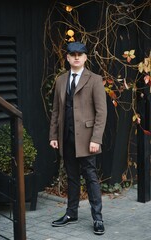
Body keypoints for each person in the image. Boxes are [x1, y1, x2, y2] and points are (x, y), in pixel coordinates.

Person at [49, 41, 107, 235]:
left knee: (91, 178)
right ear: (67, 57)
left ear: (85, 57)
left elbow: (101, 113)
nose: (76, 57)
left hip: (87, 139)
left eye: (79, 54)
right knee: (72, 177)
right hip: (66, 137)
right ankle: (71, 213)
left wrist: (96, 139)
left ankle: (97, 218)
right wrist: (54, 135)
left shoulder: (95, 79)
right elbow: (56, 111)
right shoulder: (60, 80)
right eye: (72, 54)